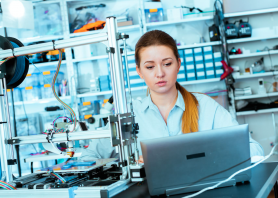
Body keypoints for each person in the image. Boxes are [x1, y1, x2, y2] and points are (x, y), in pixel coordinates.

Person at [80, 30, 264, 161]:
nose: (159, 73)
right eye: (150, 67)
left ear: (178, 64)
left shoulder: (206, 107)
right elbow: (88, 158)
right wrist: (129, 164)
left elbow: (255, 149)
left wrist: (212, 154)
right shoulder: (128, 115)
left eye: (167, 64)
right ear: (139, 72)